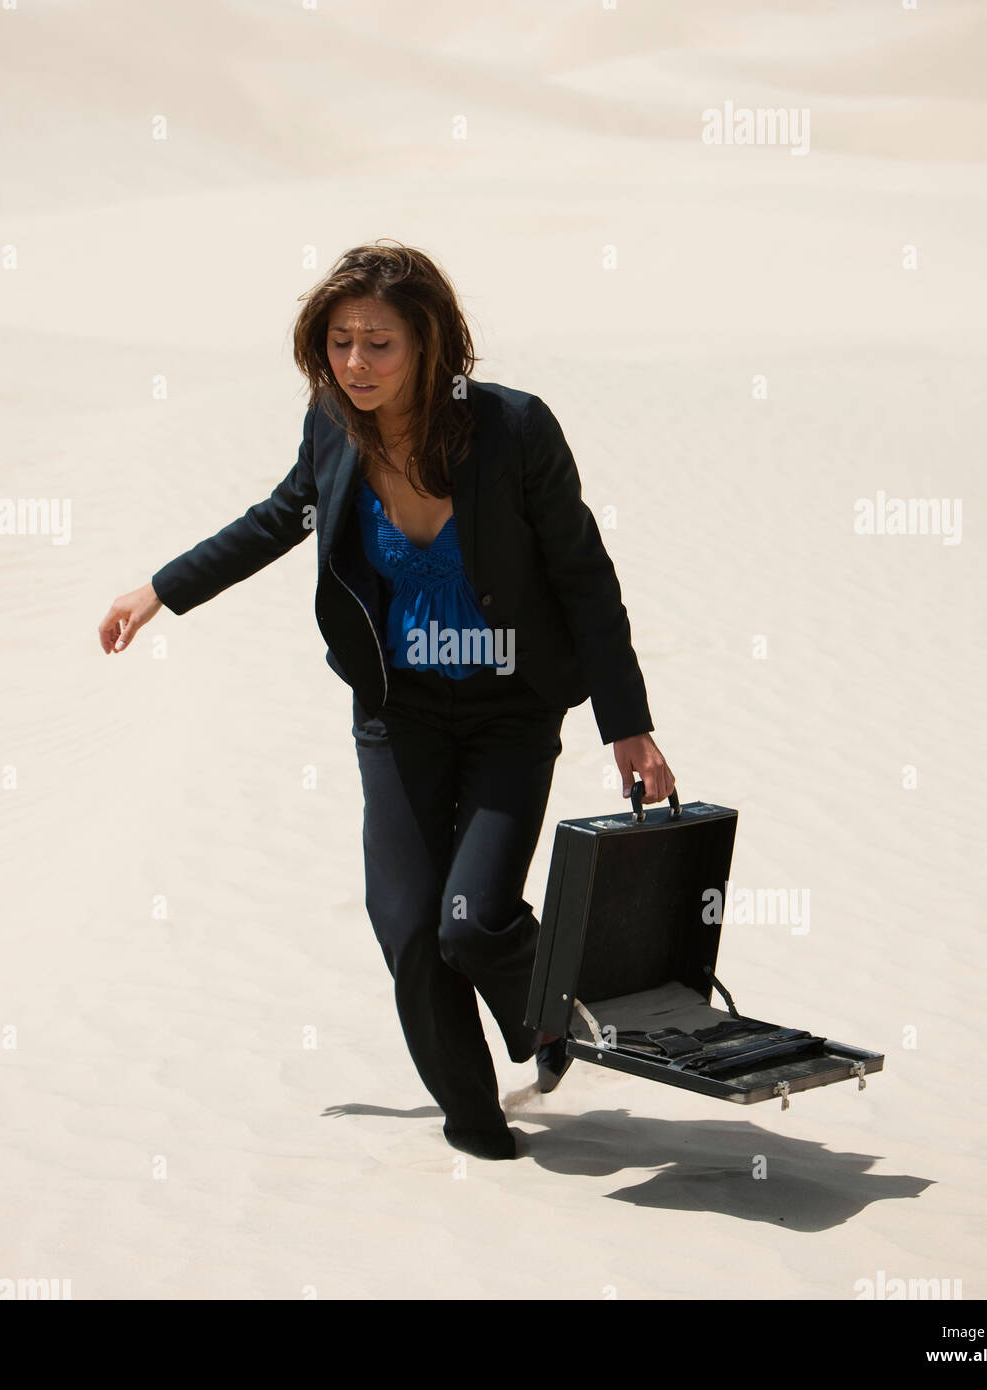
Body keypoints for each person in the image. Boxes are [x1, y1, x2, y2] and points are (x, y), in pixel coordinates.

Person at [97, 240, 676, 1161]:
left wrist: (627, 725)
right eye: (339, 343)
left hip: (509, 711)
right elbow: (276, 520)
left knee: (472, 922)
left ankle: (558, 1015)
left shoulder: (515, 431)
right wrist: (160, 590)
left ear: (431, 345)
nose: (355, 365)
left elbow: (582, 577)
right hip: (399, 713)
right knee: (409, 927)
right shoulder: (334, 425)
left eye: (380, 345)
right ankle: (478, 1129)